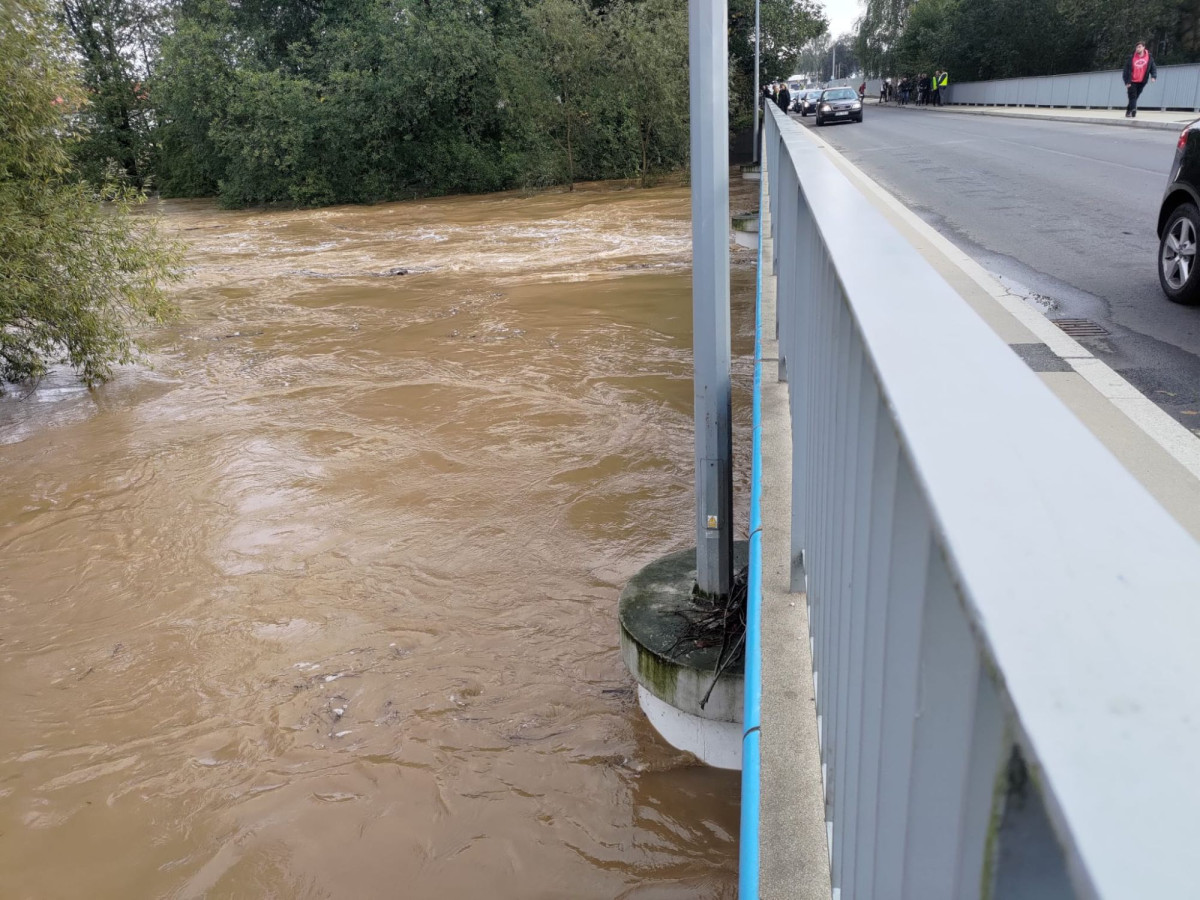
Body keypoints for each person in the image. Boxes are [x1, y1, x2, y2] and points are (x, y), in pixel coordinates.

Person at [1123, 40, 1157, 117]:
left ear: (1144, 47)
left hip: (1142, 81)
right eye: (1137, 47)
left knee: (1135, 96)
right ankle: (1133, 110)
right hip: (1131, 81)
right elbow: (1126, 70)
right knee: (1132, 95)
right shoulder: (1131, 57)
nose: (1137, 49)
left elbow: (1153, 68)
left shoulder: (1149, 57)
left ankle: (1128, 111)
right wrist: (1126, 82)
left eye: (1139, 47)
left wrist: (1153, 76)